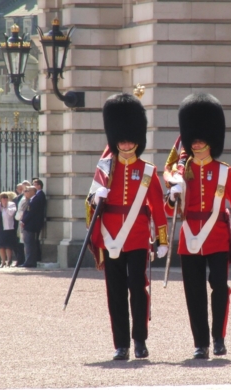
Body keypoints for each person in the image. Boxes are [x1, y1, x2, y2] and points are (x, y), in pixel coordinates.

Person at [165, 92, 231, 359]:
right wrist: (172, 194)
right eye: (194, 138)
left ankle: (218, 337)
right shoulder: (181, 172)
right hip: (189, 235)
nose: (197, 143)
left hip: (216, 236)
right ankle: (200, 343)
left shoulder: (223, 171)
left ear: (211, 141)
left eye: (202, 138)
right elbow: (168, 209)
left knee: (218, 288)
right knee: (194, 293)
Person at [86, 93, 168, 361]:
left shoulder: (147, 171)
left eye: (130, 138)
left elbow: (158, 208)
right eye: (121, 138)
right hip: (111, 237)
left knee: (137, 288)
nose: (126, 143)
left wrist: (163, 240)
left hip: (137, 237)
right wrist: (95, 196)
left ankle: (140, 340)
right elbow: (92, 202)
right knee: (115, 294)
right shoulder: (105, 170)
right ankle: (120, 344)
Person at [20, 178, 46, 267]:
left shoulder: (36, 199)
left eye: (28, 190)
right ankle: (29, 261)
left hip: (31, 225)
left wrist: (23, 221)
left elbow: (31, 212)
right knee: (28, 244)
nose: (26, 192)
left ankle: (30, 261)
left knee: (29, 244)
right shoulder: (32, 199)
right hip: (29, 224)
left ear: (33, 191)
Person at [0, 192, 17, 267]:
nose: (4, 199)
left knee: (8, 245)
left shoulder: (11, 204)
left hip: (8, 228)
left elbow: (11, 214)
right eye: (2, 197)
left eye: (5, 197)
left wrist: (5, 206)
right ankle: (3, 261)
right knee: (0, 246)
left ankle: (9, 260)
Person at [12, 181, 30, 266]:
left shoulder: (30, 198)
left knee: (26, 242)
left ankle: (26, 260)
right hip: (19, 222)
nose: (24, 190)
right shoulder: (18, 198)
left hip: (26, 222)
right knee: (20, 242)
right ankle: (20, 259)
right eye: (23, 188)